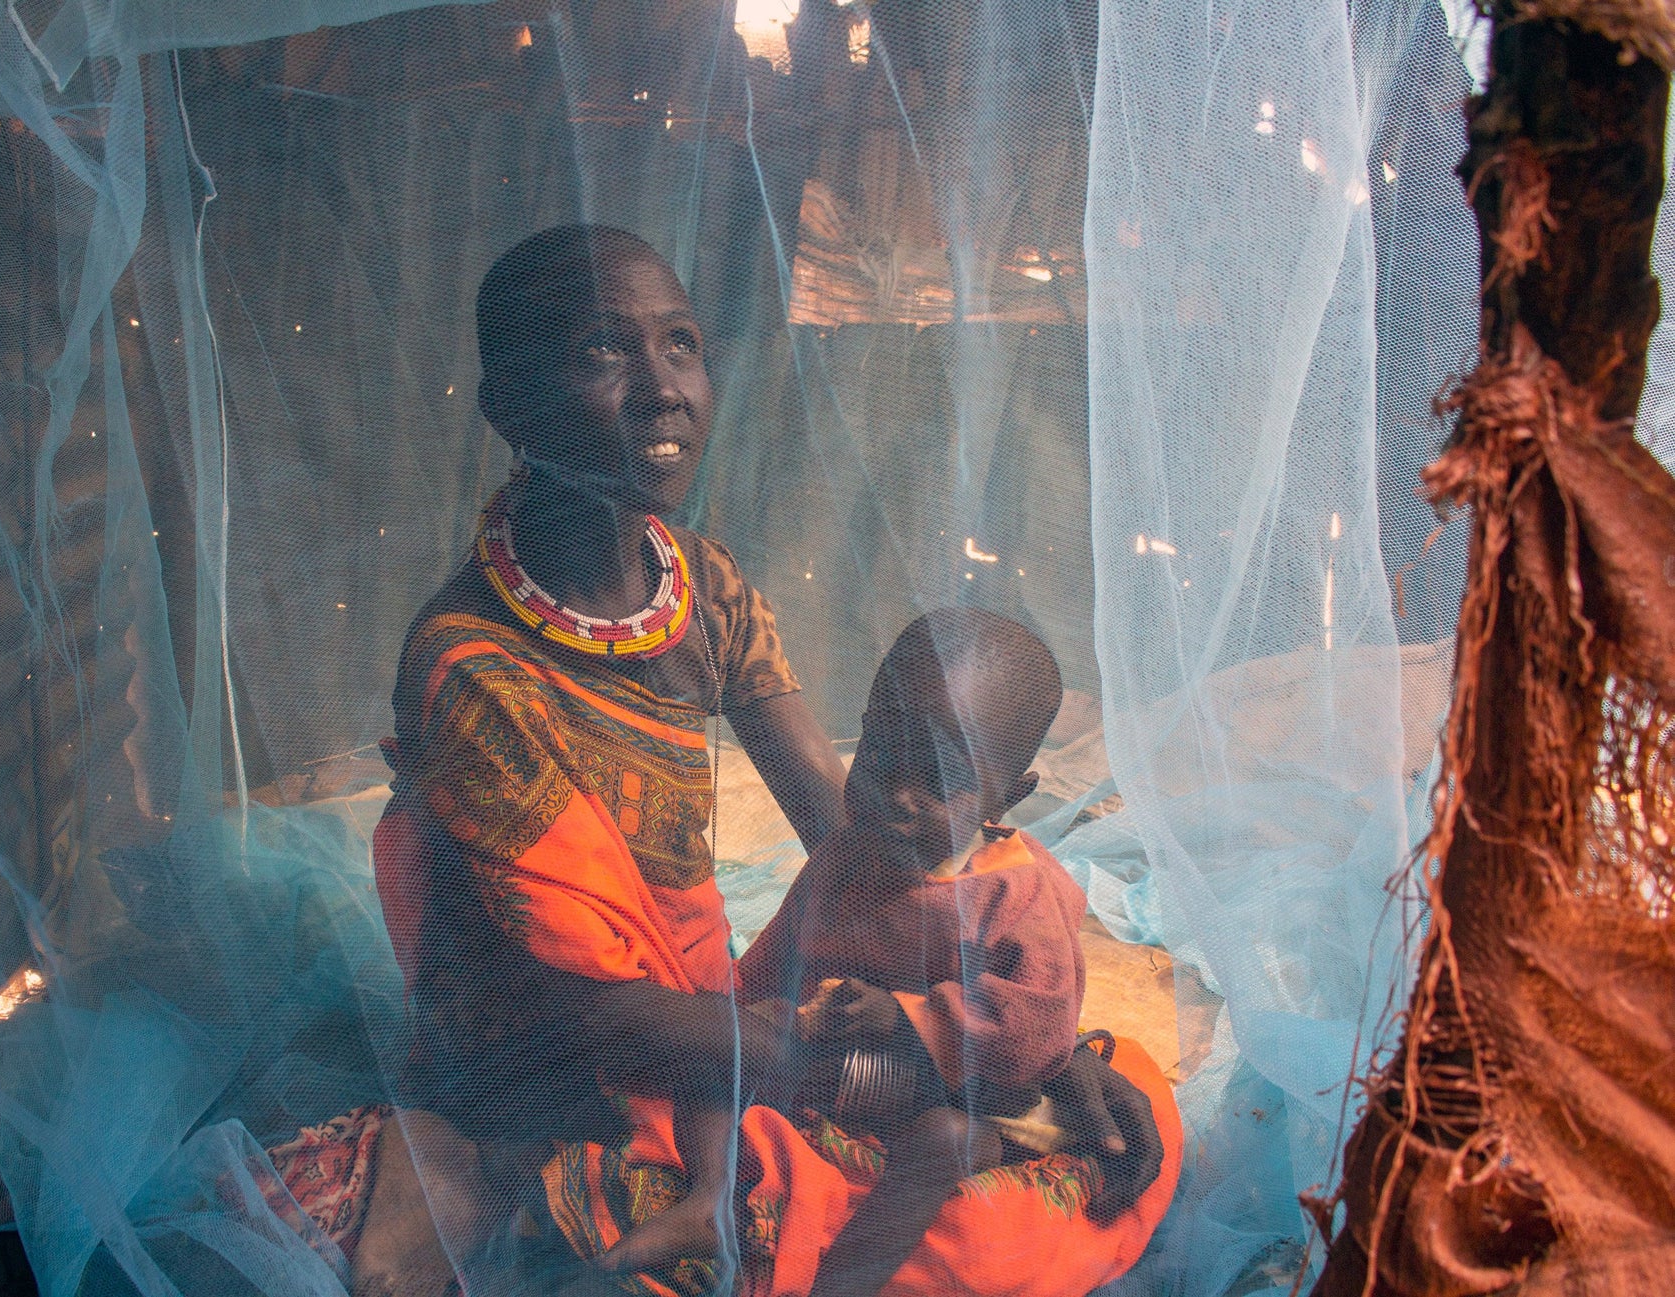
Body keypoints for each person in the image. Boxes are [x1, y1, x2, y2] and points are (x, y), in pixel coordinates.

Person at [278, 224, 1169, 1297]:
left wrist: (1025, 1040)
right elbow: (598, 1016)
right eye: (605, 350)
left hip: (718, 1033)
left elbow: (857, 842)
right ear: (508, 405)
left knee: (1110, 1126)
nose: (664, 389)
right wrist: (921, 1060)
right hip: (561, 1069)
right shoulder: (470, 670)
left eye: (682, 345)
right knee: (904, 1217)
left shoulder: (695, 584)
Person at [738, 609, 1177, 1297]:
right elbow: (776, 955)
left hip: (982, 1094)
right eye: (879, 756)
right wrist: (743, 1011)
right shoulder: (846, 853)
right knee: (726, 1062)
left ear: (1009, 797)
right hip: (854, 1072)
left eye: (940, 781)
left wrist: (907, 1016)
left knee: (942, 1141)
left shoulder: (1018, 893)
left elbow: (1037, 1031)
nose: (897, 798)